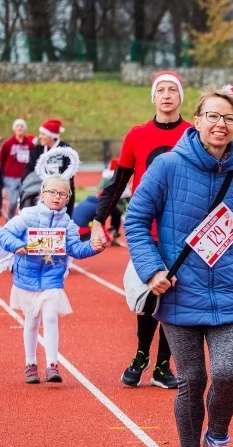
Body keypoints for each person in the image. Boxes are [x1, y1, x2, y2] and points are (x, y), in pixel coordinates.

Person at [123, 84, 233, 447]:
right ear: (197, 120)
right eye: (212, 116)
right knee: (191, 380)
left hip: (228, 293)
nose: (220, 124)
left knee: (228, 373)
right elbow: (135, 221)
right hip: (179, 293)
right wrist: (151, 268)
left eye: (228, 118)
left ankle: (219, 441)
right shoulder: (167, 166)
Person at [91, 71, 193, 390]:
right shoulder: (136, 135)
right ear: (153, 97)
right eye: (160, 90)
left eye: (172, 90)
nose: (166, 95)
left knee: (173, 298)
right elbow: (117, 182)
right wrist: (98, 221)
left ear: (180, 97)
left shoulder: (194, 133)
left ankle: (163, 366)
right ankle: (140, 355)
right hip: (144, 229)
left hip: (182, 231)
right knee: (148, 296)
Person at [0, 175, 105, 384]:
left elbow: (75, 249)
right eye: (52, 192)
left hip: (52, 277)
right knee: (32, 321)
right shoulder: (28, 216)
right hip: (27, 278)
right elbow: (3, 234)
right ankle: (30, 364)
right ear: (42, 194)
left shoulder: (67, 224)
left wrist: (93, 246)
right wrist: (17, 246)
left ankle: (52, 365)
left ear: (68, 198)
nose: (57, 197)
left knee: (51, 316)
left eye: (62, 194)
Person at [23, 119, 76, 215]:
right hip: (40, 192)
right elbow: (29, 169)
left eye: (43, 134)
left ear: (51, 136)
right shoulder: (37, 150)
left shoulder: (65, 150)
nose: (40, 137)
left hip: (60, 193)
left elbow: (70, 174)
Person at [0, 118, 36, 219]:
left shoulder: (29, 144)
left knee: (25, 202)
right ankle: (9, 220)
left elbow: (34, 159)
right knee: (13, 201)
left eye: (22, 126)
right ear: (14, 129)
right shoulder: (8, 144)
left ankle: (22, 223)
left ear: (25, 129)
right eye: (18, 126)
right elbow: (0, 160)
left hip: (25, 178)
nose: (20, 128)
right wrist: (0, 178)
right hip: (10, 178)